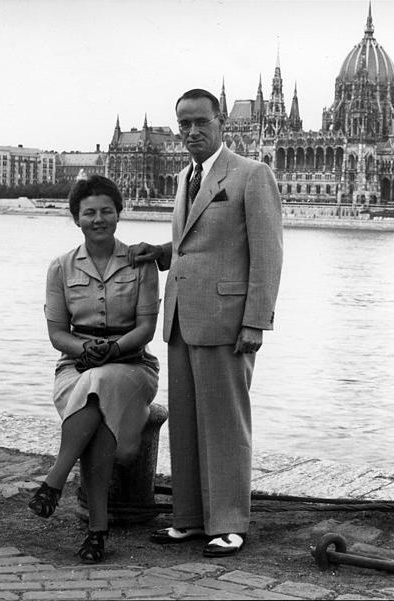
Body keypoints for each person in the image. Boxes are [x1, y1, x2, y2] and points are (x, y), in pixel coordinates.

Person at [128, 88, 283, 557]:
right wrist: (161, 253)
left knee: (225, 426)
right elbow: (194, 242)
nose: (192, 132)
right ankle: (190, 519)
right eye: (184, 125)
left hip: (227, 321)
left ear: (221, 124)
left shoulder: (252, 175)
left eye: (200, 122)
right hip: (181, 318)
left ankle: (230, 522)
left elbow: (268, 254)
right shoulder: (185, 176)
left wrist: (256, 322)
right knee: (189, 424)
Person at [29, 174, 160, 563]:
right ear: (77, 219)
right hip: (75, 366)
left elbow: (146, 328)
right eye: (89, 213)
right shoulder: (60, 268)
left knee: (98, 383)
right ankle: (97, 531)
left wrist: (114, 349)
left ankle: (55, 481)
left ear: (119, 214)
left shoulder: (141, 263)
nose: (98, 219)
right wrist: (88, 349)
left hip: (134, 366)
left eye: (106, 211)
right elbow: (57, 333)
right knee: (96, 400)